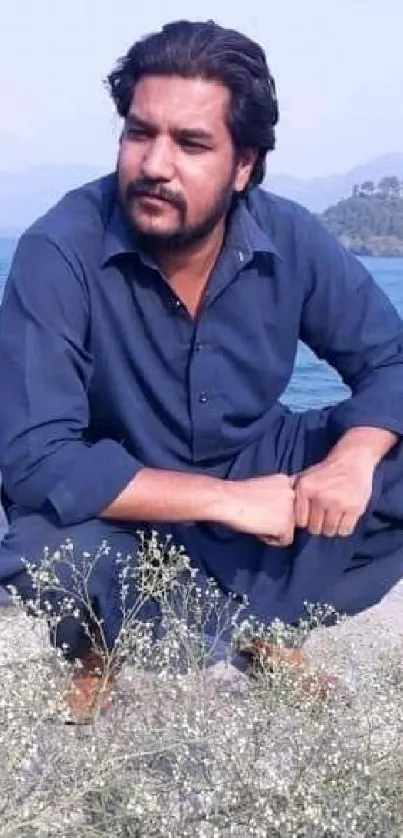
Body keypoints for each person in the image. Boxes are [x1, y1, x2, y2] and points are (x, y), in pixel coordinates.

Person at [0, 19, 403, 719]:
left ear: (243, 164)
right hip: (125, 508)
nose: (155, 163)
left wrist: (353, 458)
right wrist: (229, 502)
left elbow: (389, 359)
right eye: (138, 132)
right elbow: (36, 458)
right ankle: (116, 643)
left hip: (256, 472)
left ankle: (256, 629)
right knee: (47, 551)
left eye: (190, 143)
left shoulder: (289, 237)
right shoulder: (57, 250)